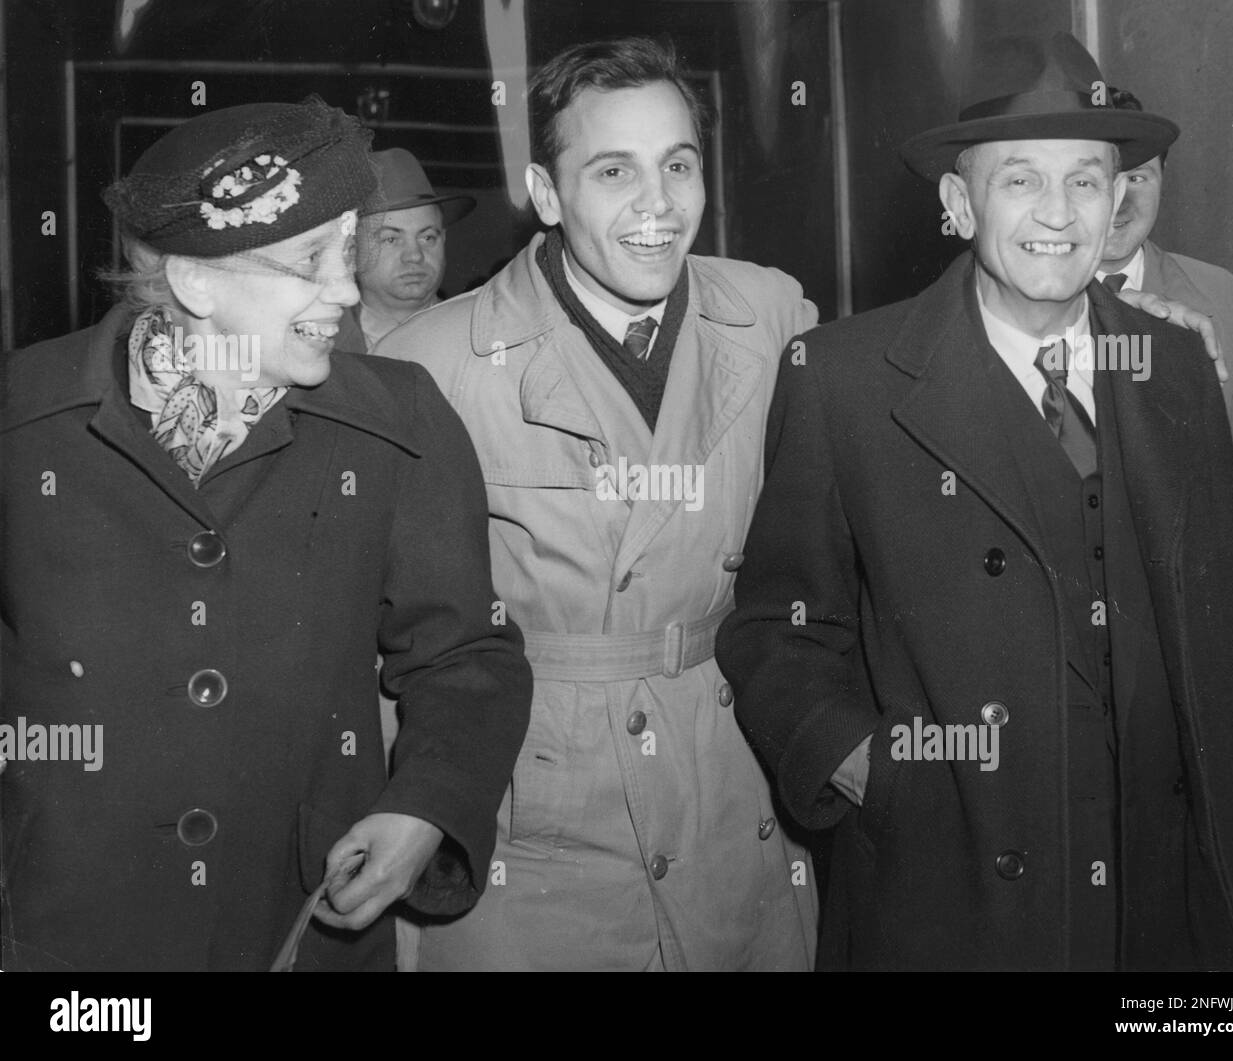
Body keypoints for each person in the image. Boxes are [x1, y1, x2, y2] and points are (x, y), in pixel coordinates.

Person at [716, 32, 1233, 971]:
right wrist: (865, 766)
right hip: (954, 895)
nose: (1059, 214)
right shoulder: (844, 381)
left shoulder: (1178, 365)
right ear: (956, 200)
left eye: (1088, 181)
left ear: (1119, 197)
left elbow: (1215, 648)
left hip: (1160, 902)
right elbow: (778, 625)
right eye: (1020, 180)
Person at [0, 97, 531, 971]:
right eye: (309, 260)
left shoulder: (399, 421)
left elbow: (467, 655)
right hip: (72, 940)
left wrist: (426, 806)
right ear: (194, 279)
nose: (346, 289)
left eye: (348, 249)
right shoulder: (26, 420)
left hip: (301, 924)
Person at [375, 37, 819, 970]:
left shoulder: (772, 315)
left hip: (730, 791)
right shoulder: (433, 364)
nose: (657, 205)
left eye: (679, 166)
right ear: (546, 194)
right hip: (533, 820)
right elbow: (392, 639)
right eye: (614, 171)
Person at [1097, 88, 1233, 967]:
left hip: (1209, 668)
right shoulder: (1011, 305)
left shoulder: (1214, 295)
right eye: (1109, 174)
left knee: (1209, 924)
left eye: (1145, 174)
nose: (1126, 196)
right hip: (1094, 675)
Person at [334, 147, 476, 353]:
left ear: (444, 239)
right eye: (391, 239)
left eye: (427, 237)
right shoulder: (323, 344)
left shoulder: (476, 338)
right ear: (351, 249)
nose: (415, 256)